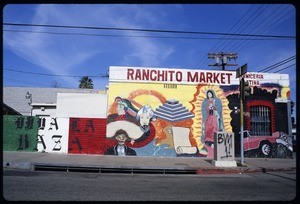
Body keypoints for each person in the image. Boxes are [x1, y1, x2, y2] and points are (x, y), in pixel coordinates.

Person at [200, 90, 224, 157]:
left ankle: (213, 143)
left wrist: (213, 106)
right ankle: (209, 143)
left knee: (213, 130)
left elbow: (217, 110)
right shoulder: (205, 101)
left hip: (214, 118)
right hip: (208, 119)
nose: (209, 95)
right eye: (208, 94)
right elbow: (204, 111)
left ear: (212, 94)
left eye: (210, 94)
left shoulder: (216, 101)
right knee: (207, 131)